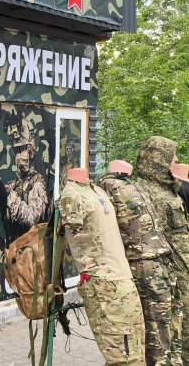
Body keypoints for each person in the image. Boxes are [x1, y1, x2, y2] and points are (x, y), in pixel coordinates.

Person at [99, 161, 182, 366]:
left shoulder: (134, 185)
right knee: (155, 328)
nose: (175, 161)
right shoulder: (108, 186)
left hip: (161, 262)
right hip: (143, 265)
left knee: (172, 325)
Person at [61, 168, 146, 366]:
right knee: (122, 357)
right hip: (104, 285)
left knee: (136, 352)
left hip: (123, 279)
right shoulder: (71, 195)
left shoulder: (97, 190)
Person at [138, 136, 189, 365]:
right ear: (157, 158)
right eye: (170, 155)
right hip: (170, 277)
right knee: (176, 334)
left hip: (182, 272)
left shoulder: (168, 189)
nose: (175, 159)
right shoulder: (145, 193)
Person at [0, 117, 51, 245]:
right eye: (16, 151)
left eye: (22, 149)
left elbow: (32, 218)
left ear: (31, 151)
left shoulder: (38, 185)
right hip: (17, 251)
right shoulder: (15, 184)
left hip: (33, 252)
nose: (18, 155)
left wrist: (11, 198)